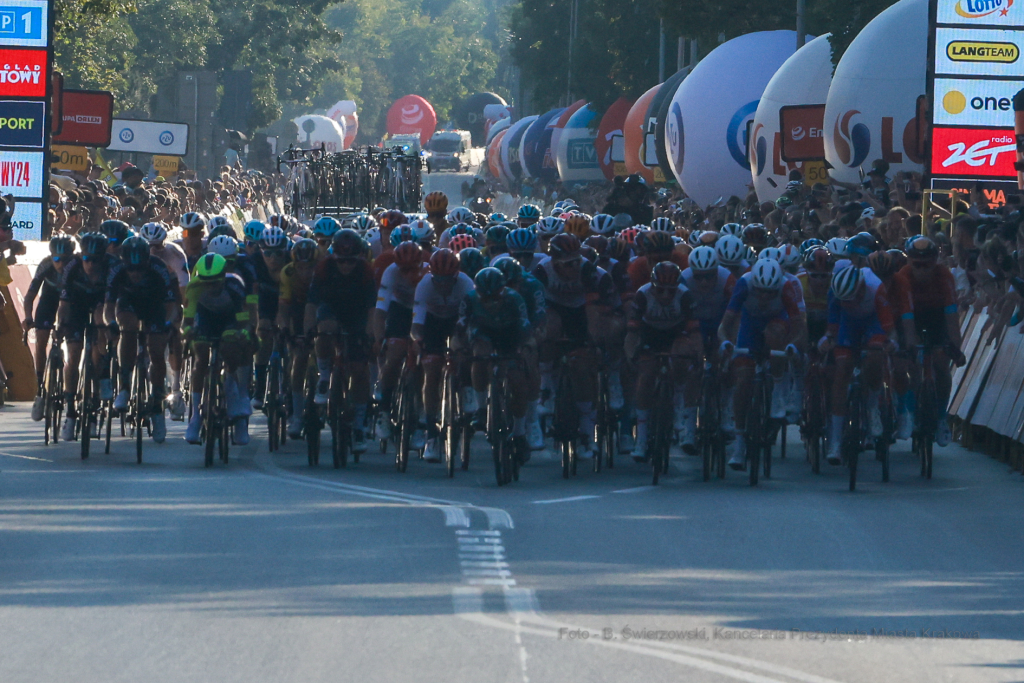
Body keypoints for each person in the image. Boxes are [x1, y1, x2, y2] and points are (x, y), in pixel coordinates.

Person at [718, 259, 806, 469]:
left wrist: (792, 346)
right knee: (743, 381)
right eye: (760, 291)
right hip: (750, 325)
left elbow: (799, 327)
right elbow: (725, 325)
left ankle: (776, 391)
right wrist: (726, 343)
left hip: (777, 322)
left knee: (774, 337)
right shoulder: (744, 284)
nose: (765, 297)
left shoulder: (786, 287)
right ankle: (739, 444)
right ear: (753, 285)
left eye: (770, 292)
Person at [306, 229, 377, 452]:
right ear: (334, 257)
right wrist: (308, 330)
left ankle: (358, 425)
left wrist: (370, 334)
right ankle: (324, 375)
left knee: (359, 370)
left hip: (356, 314)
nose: (346, 266)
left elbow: (373, 309)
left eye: (350, 261)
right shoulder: (324, 268)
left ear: (358, 258)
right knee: (324, 329)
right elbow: (311, 304)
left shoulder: (365, 271)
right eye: (341, 261)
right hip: (331, 309)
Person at [104, 236, 179, 443]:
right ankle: (125, 386)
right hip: (128, 303)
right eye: (131, 269)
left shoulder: (159, 268)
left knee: (156, 351)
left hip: (155, 305)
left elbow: (172, 305)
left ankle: (157, 404)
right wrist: (111, 323)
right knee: (127, 328)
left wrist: (167, 324)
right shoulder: (117, 270)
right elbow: (108, 307)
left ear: (147, 262)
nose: (135, 274)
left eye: (140, 269)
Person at [625, 261, 701, 460]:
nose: (666, 296)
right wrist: (631, 356)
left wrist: (697, 355)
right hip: (650, 335)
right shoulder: (643, 295)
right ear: (652, 286)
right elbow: (632, 333)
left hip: (676, 334)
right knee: (645, 376)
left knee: (682, 358)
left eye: (671, 291)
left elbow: (695, 334)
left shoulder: (685, 296)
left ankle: (677, 406)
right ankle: (641, 439)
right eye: (661, 290)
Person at [458, 267, 533, 459]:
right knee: (479, 355)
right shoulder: (469, 299)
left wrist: (523, 350)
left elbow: (525, 328)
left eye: (495, 298)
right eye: (486, 298)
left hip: (510, 334)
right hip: (483, 333)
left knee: (518, 381)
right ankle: (481, 408)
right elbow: (461, 329)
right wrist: (460, 351)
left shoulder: (514, 299)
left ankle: (519, 432)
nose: (490, 303)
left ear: (503, 292)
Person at [181, 253, 253, 444]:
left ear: (223, 277)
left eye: (214, 282)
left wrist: (243, 334)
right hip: (205, 320)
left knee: (231, 349)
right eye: (206, 282)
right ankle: (195, 416)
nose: (210, 286)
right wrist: (187, 331)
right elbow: (187, 320)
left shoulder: (235, 286)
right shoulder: (194, 287)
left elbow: (244, 322)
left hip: (230, 320)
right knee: (201, 358)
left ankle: (236, 406)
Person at [411, 248, 475, 462]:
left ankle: (466, 385)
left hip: (457, 321)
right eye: (438, 279)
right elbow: (417, 324)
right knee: (431, 372)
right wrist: (419, 341)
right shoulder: (424, 285)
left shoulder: (466, 284)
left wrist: (463, 345)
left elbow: (469, 321)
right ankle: (431, 434)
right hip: (432, 324)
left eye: (448, 279)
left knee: (463, 349)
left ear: (456, 275)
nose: (443, 283)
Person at [55, 232, 119, 441]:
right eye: (86, 259)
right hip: (77, 305)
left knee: (97, 349)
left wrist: (109, 327)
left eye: (95, 260)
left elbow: (112, 305)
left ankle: (100, 383)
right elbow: (64, 304)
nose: (90, 264)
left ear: (103, 257)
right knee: (73, 355)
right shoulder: (71, 267)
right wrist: (61, 325)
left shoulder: (112, 266)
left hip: (102, 304)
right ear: (81, 255)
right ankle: (71, 410)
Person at [24, 235, 75, 421]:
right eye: (56, 258)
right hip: (49, 299)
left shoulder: (77, 265)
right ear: (51, 256)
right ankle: (40, 388)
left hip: (70, 301)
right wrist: (29, 317)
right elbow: (30, 296)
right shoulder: (45, 265)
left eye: (65, 259)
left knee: (72, 338)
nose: (60, 263)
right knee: (41, 339)